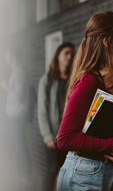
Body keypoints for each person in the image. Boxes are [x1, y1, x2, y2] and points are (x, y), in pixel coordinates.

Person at [56, 11, 113, 191]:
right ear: (109, 42)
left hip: (110, 174)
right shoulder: (89, 82)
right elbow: (65, 139)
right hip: (81, 175)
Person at [37, 42, 75, 191]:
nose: (69, 56)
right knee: (52, 172)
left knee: (69, 175)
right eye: (66, 53)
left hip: (71, 136)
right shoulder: (47, 80)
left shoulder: (75, 80)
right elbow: (42, 110)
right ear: (58, 55)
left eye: (72, 54)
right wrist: (47, 136)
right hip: (54, 137)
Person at [1, 48, 32, 180]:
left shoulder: (18, 72)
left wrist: (6, 87)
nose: (5, 58)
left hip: (18, 116)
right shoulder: (16, 72)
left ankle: (26, 174)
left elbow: (19, 96)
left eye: (7, 55)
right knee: (18, 144)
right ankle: (21, 172)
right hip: (15, 116)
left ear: (13, 57)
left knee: (20, 145)